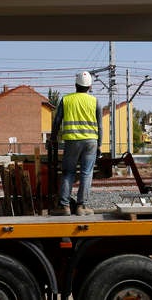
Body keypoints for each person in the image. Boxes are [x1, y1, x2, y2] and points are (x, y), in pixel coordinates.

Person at [50, 70, 102, 216]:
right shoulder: (95, 101)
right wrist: (99, 144)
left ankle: (64, 206)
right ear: (90, 86)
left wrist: (53, 138)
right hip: (91, 142)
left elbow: (57, 121)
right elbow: (100, 126)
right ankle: (81, 206)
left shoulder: (66, 100)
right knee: (86, 173)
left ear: (75, 85)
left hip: (72, 141)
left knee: (68, 173)